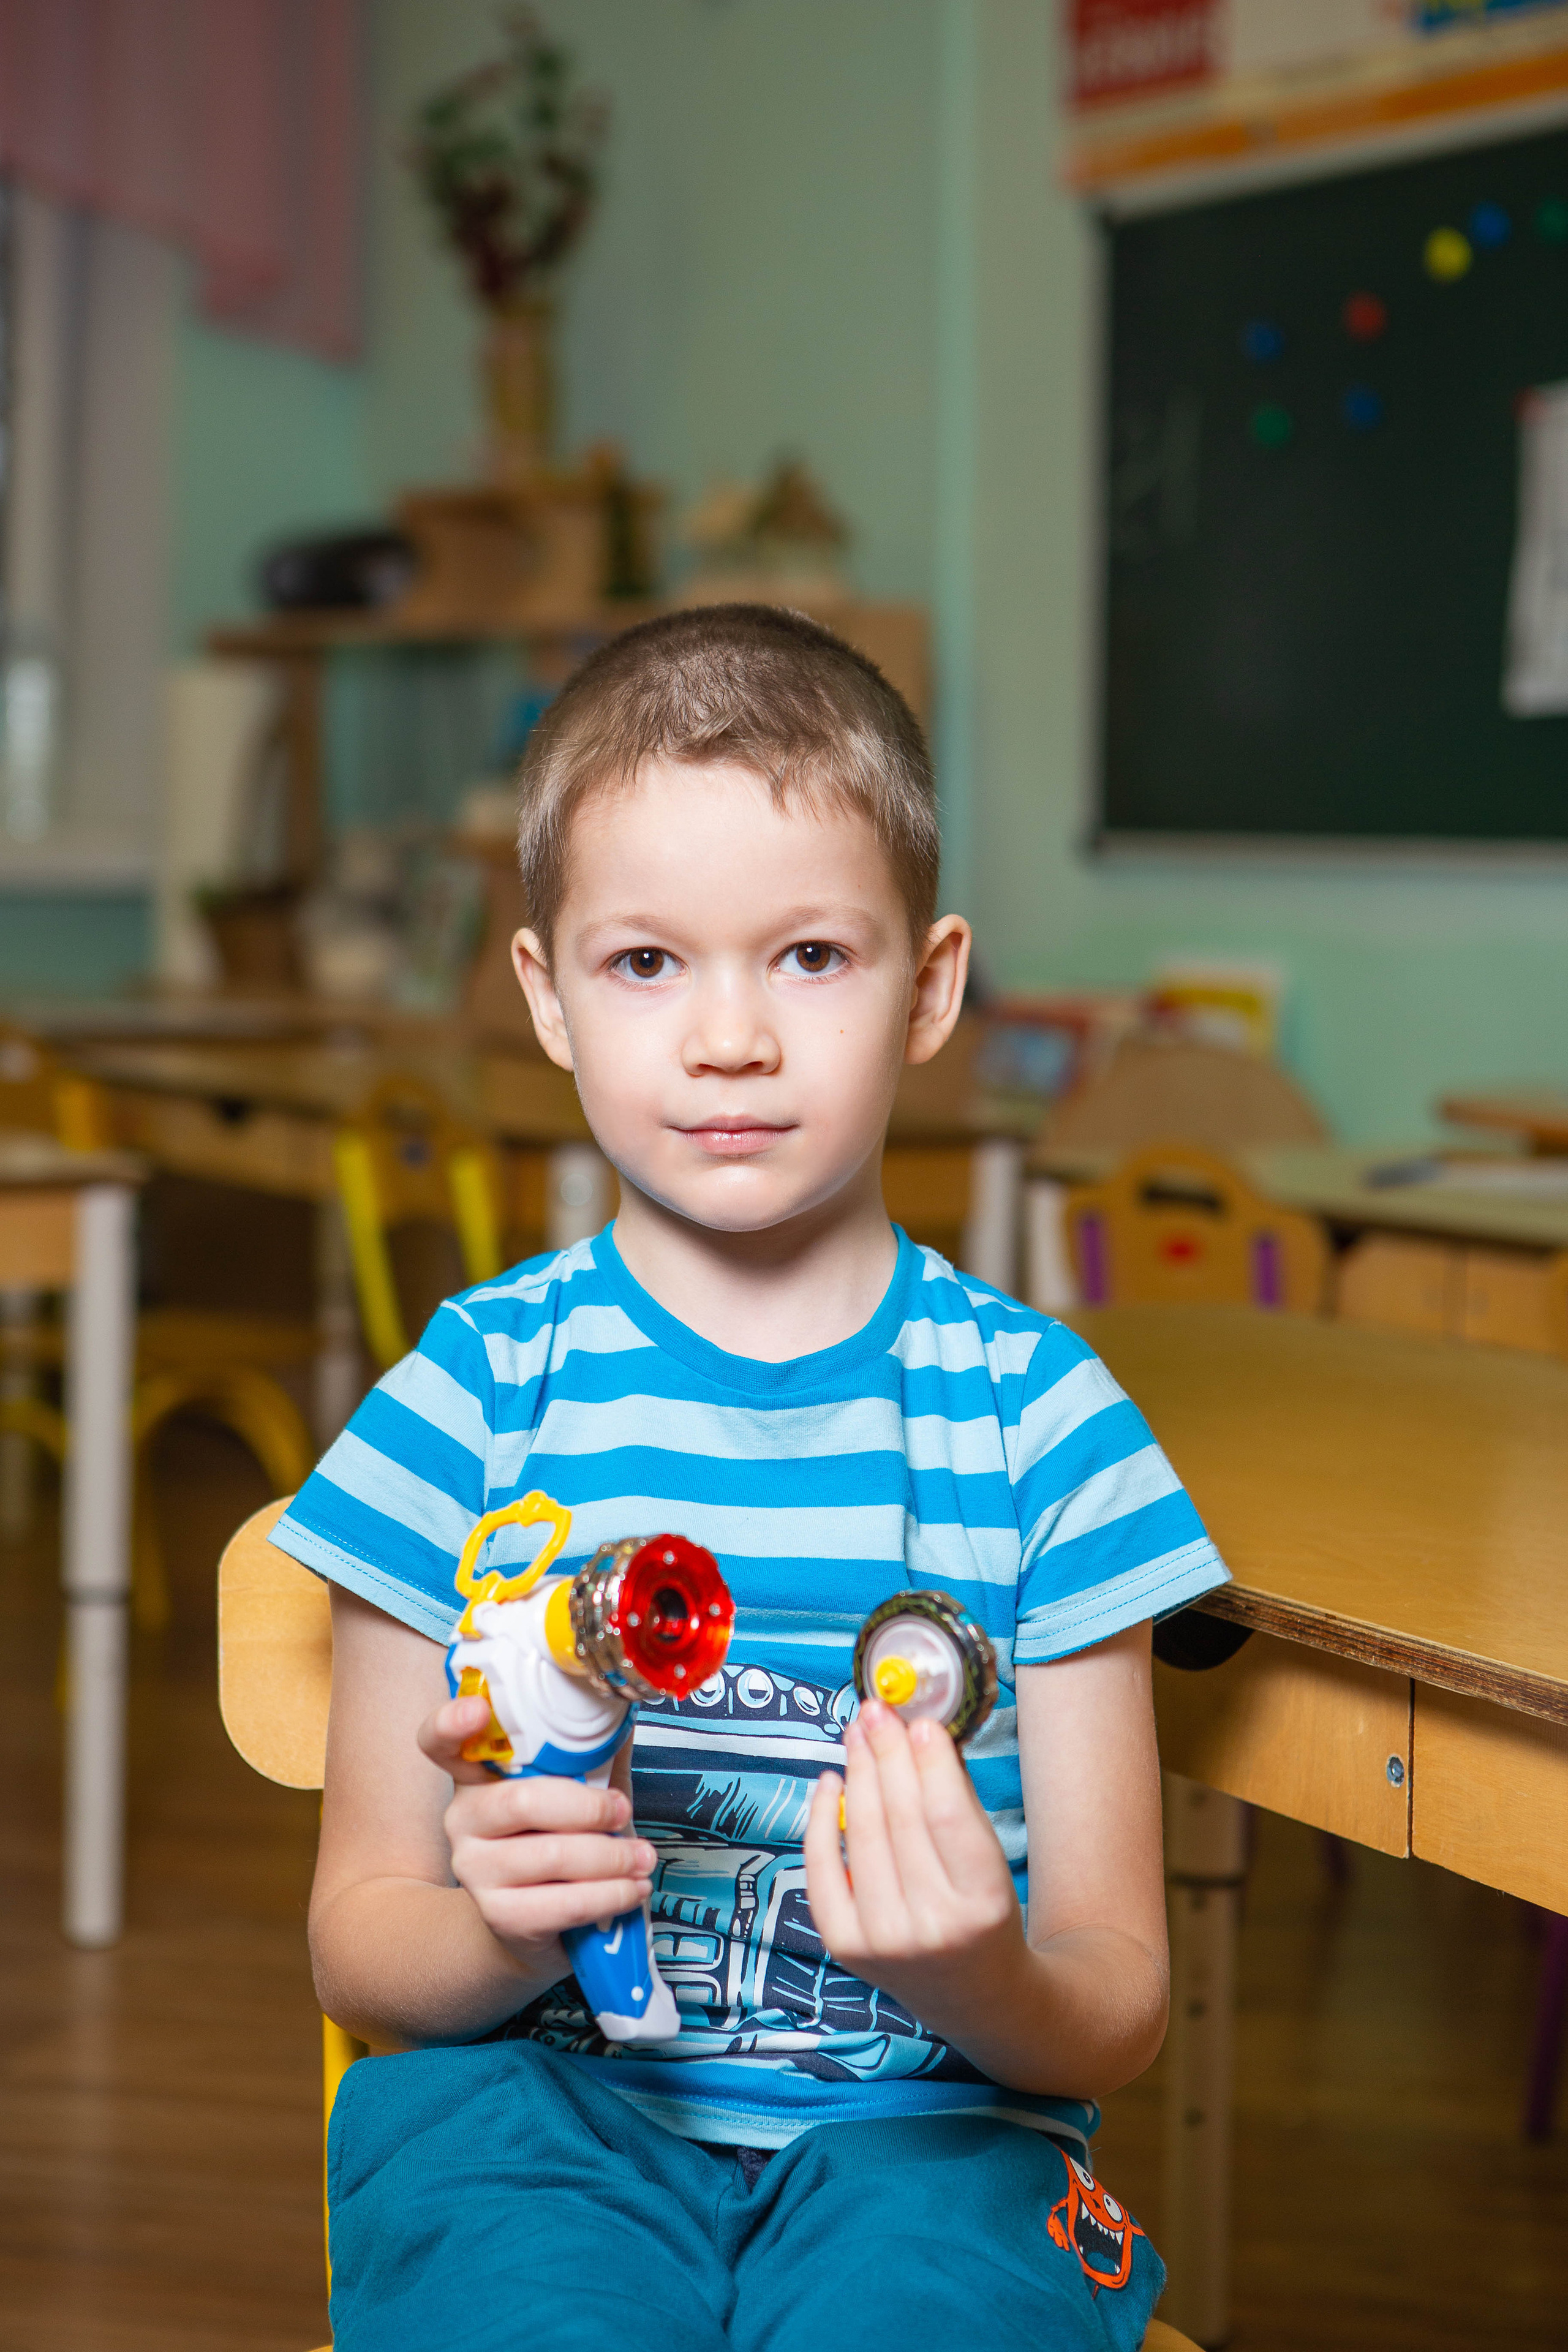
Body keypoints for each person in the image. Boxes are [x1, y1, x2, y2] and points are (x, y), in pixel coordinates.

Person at [272, 604, 1229, 2352]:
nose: (729, 1038)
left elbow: (1116, 2008)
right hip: (531, 2127)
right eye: (648, 964)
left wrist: (979, 1977)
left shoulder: (1052, 1432)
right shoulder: (466, 1400)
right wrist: (505, 1928)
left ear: (931, 988)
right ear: (548, 997)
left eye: (808, 957)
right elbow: (362, 1947)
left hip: (940, 2147)